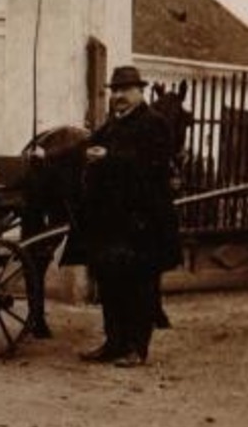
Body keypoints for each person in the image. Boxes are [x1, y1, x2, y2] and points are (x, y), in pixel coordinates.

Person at [68, 65, 181, 367]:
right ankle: (113, 342)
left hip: (143, 220)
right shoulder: (111, 125)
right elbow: (88, 145)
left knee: (139, 284)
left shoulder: (154, 124)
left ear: (139, 91)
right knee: (110, 282)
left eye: (125, 90)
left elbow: (153, 164)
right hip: (111, 221)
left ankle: (136, 348)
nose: (118, 96)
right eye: (114, 90)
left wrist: (110, 158)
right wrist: (79, 153)